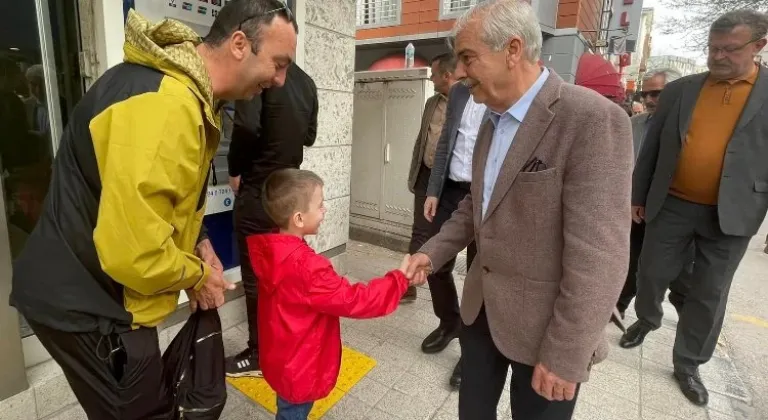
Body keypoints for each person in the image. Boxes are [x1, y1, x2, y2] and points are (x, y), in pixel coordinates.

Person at [8, 1, 298, 418]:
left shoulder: (179, 93)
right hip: (89, 301)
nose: (280, 79)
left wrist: (198, 245)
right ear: (238, 44)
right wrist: (199, 278)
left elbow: (161, 201)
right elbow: (135, 252)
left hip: (94, 290)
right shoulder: (167, 106)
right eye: (278, 63)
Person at [406, 1, 633, 418]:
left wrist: (566, 354)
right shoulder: (491, 119)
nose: (459, 72)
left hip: (547, 331)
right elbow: (479, 202)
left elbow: (600, 256)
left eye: (468, 58)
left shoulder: (590, 120)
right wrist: (431, 253)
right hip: (481, 314)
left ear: (512, 49)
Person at [620, 9, 768, 406]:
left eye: (728, 49)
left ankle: (688, 362)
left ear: (759, 45)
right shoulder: (680, 90)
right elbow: (652, 148)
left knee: (710, 291)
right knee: (650, 271)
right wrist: (638, 195)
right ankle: (647, 318)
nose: (717, 56)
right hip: (672, 203)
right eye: (711, 48)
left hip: (733, 213)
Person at [248, 168, 425, 420]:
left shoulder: (271, 249)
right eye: (320, 205)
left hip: (282, 357)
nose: (325, 210)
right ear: (298, 218)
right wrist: (398, 280)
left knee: (287, 405)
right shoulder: (307, 267)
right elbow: (354, 299)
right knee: (293, 412)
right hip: (300, 365)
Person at [225, 62, 318, 378]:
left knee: (256, 280)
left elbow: (247, 127)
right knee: (284, 276)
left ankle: (259, 354)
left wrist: (235, 169)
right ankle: (286, 343)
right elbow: (309, 135)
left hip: (257, 193)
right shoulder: (306, 84)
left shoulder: (257, 76)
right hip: (290, 197)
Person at [418, 55, 487, 389]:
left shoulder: (499, 92)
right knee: (435, 261)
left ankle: (470, 352)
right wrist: (433, 189)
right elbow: (446, 142)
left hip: (485, 196)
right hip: (449, 189)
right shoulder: (459, 93)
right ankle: (449, 323)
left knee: (478, 275)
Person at [616, 68, 692, 318]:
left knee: (675, 273)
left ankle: (683, 318)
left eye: (656, 93)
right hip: (631, 206)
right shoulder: (634, 124)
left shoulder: (692, 126)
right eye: (645, 93)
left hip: (672, 211)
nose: (648, 99)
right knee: (629, 260)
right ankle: (619, 306)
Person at [404, 53, 458, 303]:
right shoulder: (431, 103)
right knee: (419, 231)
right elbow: (421, 141)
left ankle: (442, 288)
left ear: (447, 75)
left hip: (452, 183)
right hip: (426, 176)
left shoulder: (469, 104)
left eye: (435, 74)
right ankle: (407, 285)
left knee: (447, 234)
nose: (432, 78)